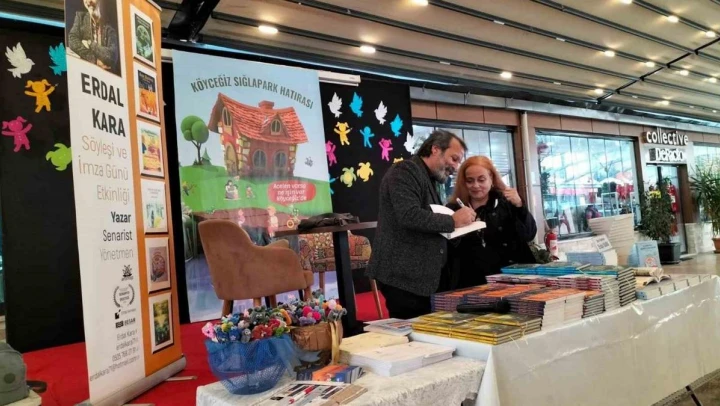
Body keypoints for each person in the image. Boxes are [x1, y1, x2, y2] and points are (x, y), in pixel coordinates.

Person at [366, 130, 476, 319]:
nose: (456, 166)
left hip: (418, 278)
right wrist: (453, 221)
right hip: (403, 278)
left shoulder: (428, 178)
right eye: (454, 158)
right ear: (435, 149)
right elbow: (409, 215)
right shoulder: (405, 171)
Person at [446, 156, 538, 288]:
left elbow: (529, 235)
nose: (476, 185)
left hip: (511, 279)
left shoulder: (506, 203)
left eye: (481, 180)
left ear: (491, 178)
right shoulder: (454, 210)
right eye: (470, 181)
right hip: (470, 283)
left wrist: (519, 206)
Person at [68, 0, 119, 73]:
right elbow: (72, 41)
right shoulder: (80, 17)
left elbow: (112, 57)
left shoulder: (109, 27)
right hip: (85, 72)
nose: (89, 1)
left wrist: (90, 44)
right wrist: (95, 61)